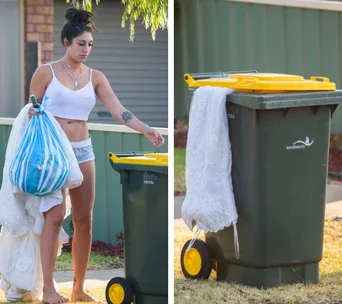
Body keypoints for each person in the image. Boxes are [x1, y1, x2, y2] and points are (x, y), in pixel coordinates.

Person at [28, 7, 165, 304]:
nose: (86, 49)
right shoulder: (45, 72)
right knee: (53, 217)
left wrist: (145, 129)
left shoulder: (96, 77)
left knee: (84, 220)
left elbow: (119, 111)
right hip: (53, 154)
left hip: (83, 150)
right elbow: (31, 114)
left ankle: (77, 287)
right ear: (66, 42)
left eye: (90, 44)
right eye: (81, 44)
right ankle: (49, 289)